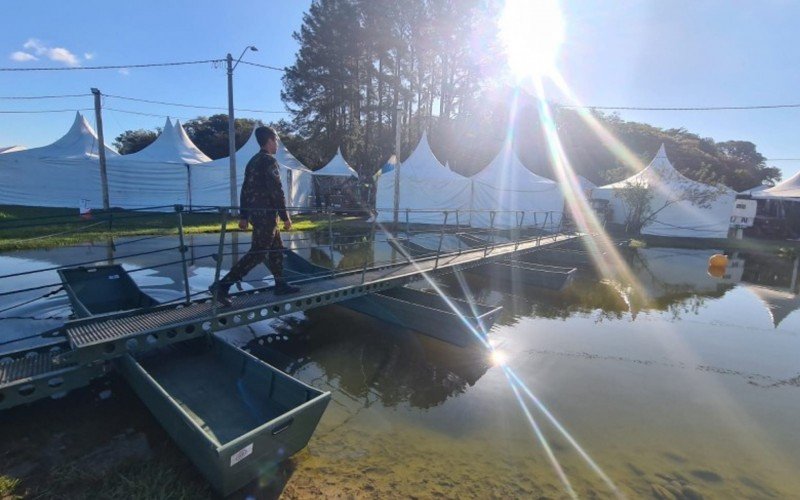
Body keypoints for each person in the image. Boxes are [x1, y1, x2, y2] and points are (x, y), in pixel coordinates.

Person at [209, 126, 300, 306]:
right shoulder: (268, 161)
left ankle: (280, 284)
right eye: (276, 141)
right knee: (258, 253)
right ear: (269, 141)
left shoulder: (253, 161)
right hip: (266, 216)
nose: (277, 145)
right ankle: (222, 286)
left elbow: (245, 190)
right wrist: (285, 217)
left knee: (276, 250)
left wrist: (244, 215)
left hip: (258, 215)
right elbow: (277, 192)